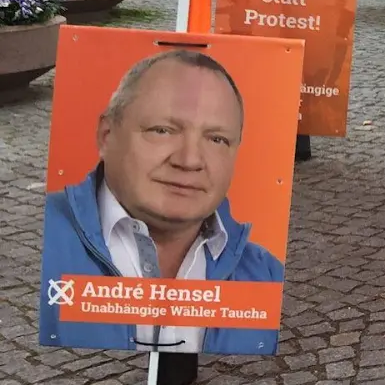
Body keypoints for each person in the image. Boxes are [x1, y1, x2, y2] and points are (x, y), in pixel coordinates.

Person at [38, 49, 285, 356]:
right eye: (163, 131)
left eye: (216, 139)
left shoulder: (266, 274)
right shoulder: (41, 241)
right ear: (106, 135)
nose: (189, 160)